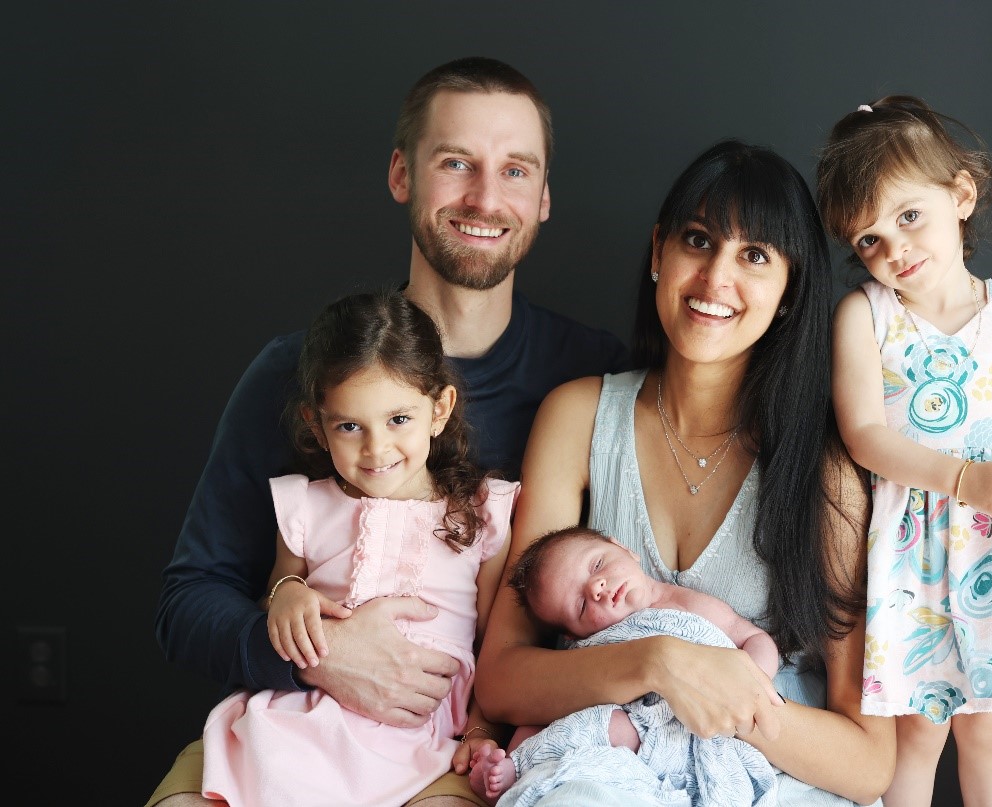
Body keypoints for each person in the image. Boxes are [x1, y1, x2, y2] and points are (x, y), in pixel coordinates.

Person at [148, 56, 630, 807]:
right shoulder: (301, 372)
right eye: (456, 163)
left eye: (515, 171)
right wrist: (320, 655)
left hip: (457, 761)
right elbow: (187, 602)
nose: (484, 196)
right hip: (292, 733)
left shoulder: (596, 381)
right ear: (402, 175)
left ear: (542, 199)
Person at [476, 139, 896, 807]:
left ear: (790, 290)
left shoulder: (823, 466)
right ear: (658, 253)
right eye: (698, 240)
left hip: (772, 777)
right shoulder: (579, 416)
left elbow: (871, 761)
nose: (715, 278)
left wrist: (729, 701)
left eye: (754, 255)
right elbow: (500, 678)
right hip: (614, 765)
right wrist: (660, 662)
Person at [814, 95, 992, 807]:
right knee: (917, 734)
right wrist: (965, 477)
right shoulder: (866, 315)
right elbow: (864, 434)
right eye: (868, 239)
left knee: (989, 732)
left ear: (959, 194)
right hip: (914, 556)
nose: (892, 250)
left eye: (907, 218)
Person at [201, 290, 516, 806]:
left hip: (424, 731)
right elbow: (278, 589)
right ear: (317, 425)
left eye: (398, 420)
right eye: (350, 426)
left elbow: (494, 640)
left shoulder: (480, 514)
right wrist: (287, 596)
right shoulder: (305, 506)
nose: (376, 450)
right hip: (315, 713)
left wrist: (482, 731)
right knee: (277, 765)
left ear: (440, 409)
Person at [469, 525, 781, 806]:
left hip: (690, 728)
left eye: (597, 565)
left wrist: (755, 678)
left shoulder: (691, 604)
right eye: (581, 604)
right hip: (623, 742)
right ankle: (514, 768)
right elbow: (544, 710)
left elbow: (752, 637)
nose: (596, 587)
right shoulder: (593, 651)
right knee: (570, 723)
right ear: (575, 634)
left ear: (623, 548)